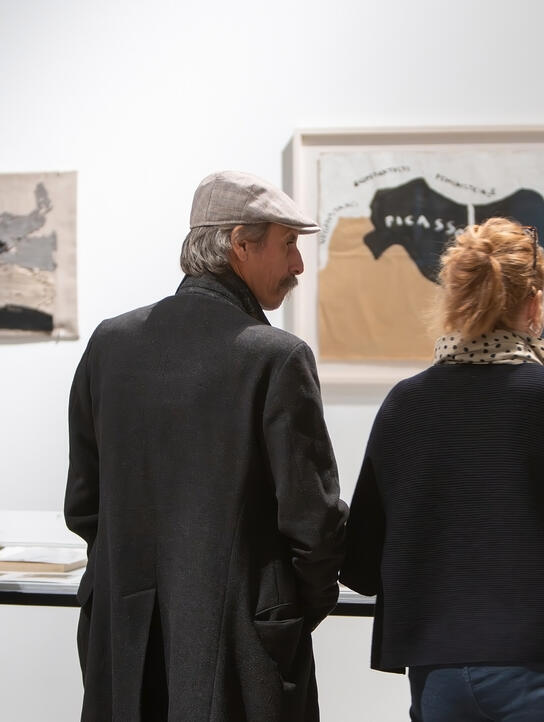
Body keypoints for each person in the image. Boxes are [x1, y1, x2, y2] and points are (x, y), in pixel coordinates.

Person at [339, 217, 544, 721]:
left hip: (440, 674)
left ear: (455, 299)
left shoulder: (405, 404)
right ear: (535, 303)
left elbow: (361, 561)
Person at [64, 170, 349, 721]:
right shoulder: (276, 357)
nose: (298, 264)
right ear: (241, 244)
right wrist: (286, 610)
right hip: (242, 652)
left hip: (124, 638)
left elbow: (84, 505)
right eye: (288, 244)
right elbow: (312, 523)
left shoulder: (110, 344)